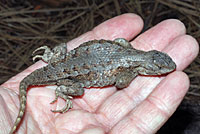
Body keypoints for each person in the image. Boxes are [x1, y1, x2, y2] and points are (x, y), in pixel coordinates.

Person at [1, 13, 199, 134]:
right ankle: (62, 90)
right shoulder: (131, 70)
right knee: (77, 91)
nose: (165, 70)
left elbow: (121, 41)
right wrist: (131, 73)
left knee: (62, 48)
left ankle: (52, 56)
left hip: (68, 60)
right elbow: (121, 84)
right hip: (74, 74)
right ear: (150, 64)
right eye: (160, 68)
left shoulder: (130, 52)